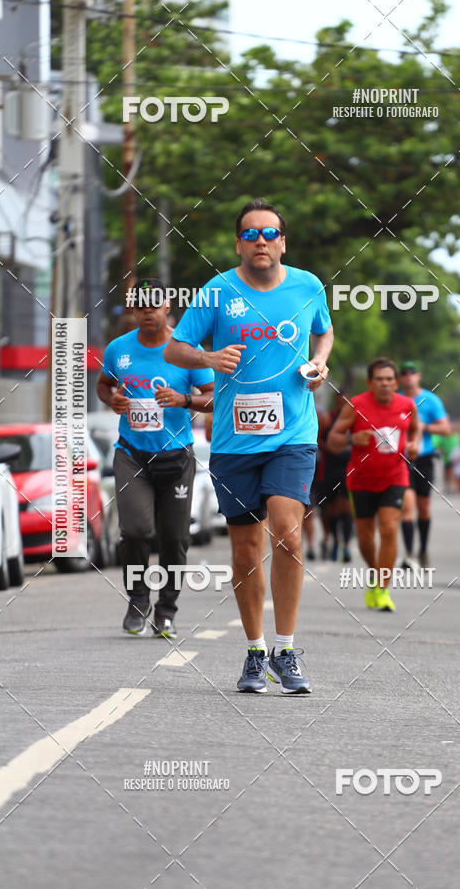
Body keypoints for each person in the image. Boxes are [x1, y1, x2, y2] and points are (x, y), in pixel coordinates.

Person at [164, 199, 333, 693]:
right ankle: (256, 651)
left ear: (283, 241)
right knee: (244, 551)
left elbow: (323, 333)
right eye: (251, 234)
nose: (261, 241)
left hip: (293, 434)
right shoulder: (217, 292)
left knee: (289, 533)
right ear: (239, 243)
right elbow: (176, 348)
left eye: (270, 233)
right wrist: (210, 357)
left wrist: (319, 363)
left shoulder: (308, 286)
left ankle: (287, 649)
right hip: (235, 441)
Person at [97, 278, 214, 637]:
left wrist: (183, 400)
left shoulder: (186, 349)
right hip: (131, 454)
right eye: (141, 304)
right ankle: (137, 598)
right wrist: (111, 399)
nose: (148, 310)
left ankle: (166, 609)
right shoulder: (119, 349)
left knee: (174, 536)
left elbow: (213, 398)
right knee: (135, 530)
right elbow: (104, 384)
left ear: (167, 308)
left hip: (176, 457)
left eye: (155, 304)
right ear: (133, 310)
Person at [327, 357, 421, 611]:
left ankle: (382, 588)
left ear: (397, 382)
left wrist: (414, 445)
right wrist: (351, 439)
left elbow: (415, 429)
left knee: (389, 528)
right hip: (360, 480)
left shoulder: (407, 404)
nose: (384, 384)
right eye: (379, 379)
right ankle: (374, 572)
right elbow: (332, 439)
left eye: (389, 379)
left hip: (395, 476)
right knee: (366, 538)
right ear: (370, 382)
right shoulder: (356, 405)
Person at [398, 361, 450, 568]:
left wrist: (424, 427)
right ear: (400, 378)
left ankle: (423, 550)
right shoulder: (396, 400)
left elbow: (446, 429)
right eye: (404, 373)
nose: (408, 377)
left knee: (424, 507)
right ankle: (409, 554)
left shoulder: (430, 400)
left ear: (418, 376)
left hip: (425, 457)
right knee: (407, 506)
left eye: (412, 373)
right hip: (402, 458)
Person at [318, 393, 354, 562]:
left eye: (346, 403)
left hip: (349, 468)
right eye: (340, 402)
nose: (343, 406)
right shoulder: (327, 418)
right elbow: (317, 438)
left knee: (346, 508)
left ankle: (346, 545)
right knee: (331, 510)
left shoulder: (356, 418)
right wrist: (330, 448)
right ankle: (335, 540)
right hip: (330, 468)